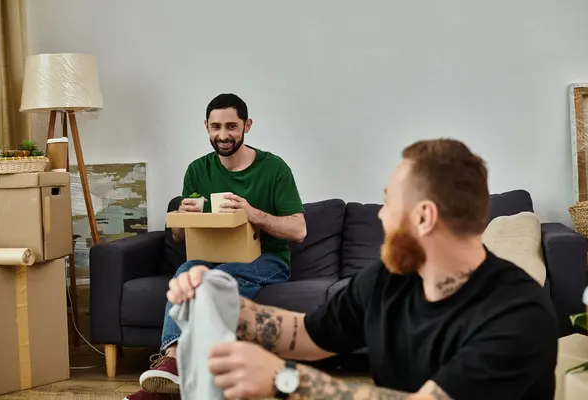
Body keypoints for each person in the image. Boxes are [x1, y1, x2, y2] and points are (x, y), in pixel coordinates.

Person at [164, 138, 558, 400]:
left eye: (389, 203)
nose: (382, 216)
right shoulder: (391, 278)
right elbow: (307, 334)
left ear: (424, 217)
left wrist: (286, 380)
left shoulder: (518, 314)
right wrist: (219, 298)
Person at [126, 93, 307, 400]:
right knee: (185, 273)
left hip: (267, 260)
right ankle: (172, 363)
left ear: (247, 126)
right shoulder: (198, 170)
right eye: (216, 127)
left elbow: (299, 230)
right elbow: (181, 238)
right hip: (208, 257)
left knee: (214, 280)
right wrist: (183, 218)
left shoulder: (274, 168)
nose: (223, 135)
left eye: (232, 126)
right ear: (206, 127)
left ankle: (174, 381)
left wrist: (254, 215)